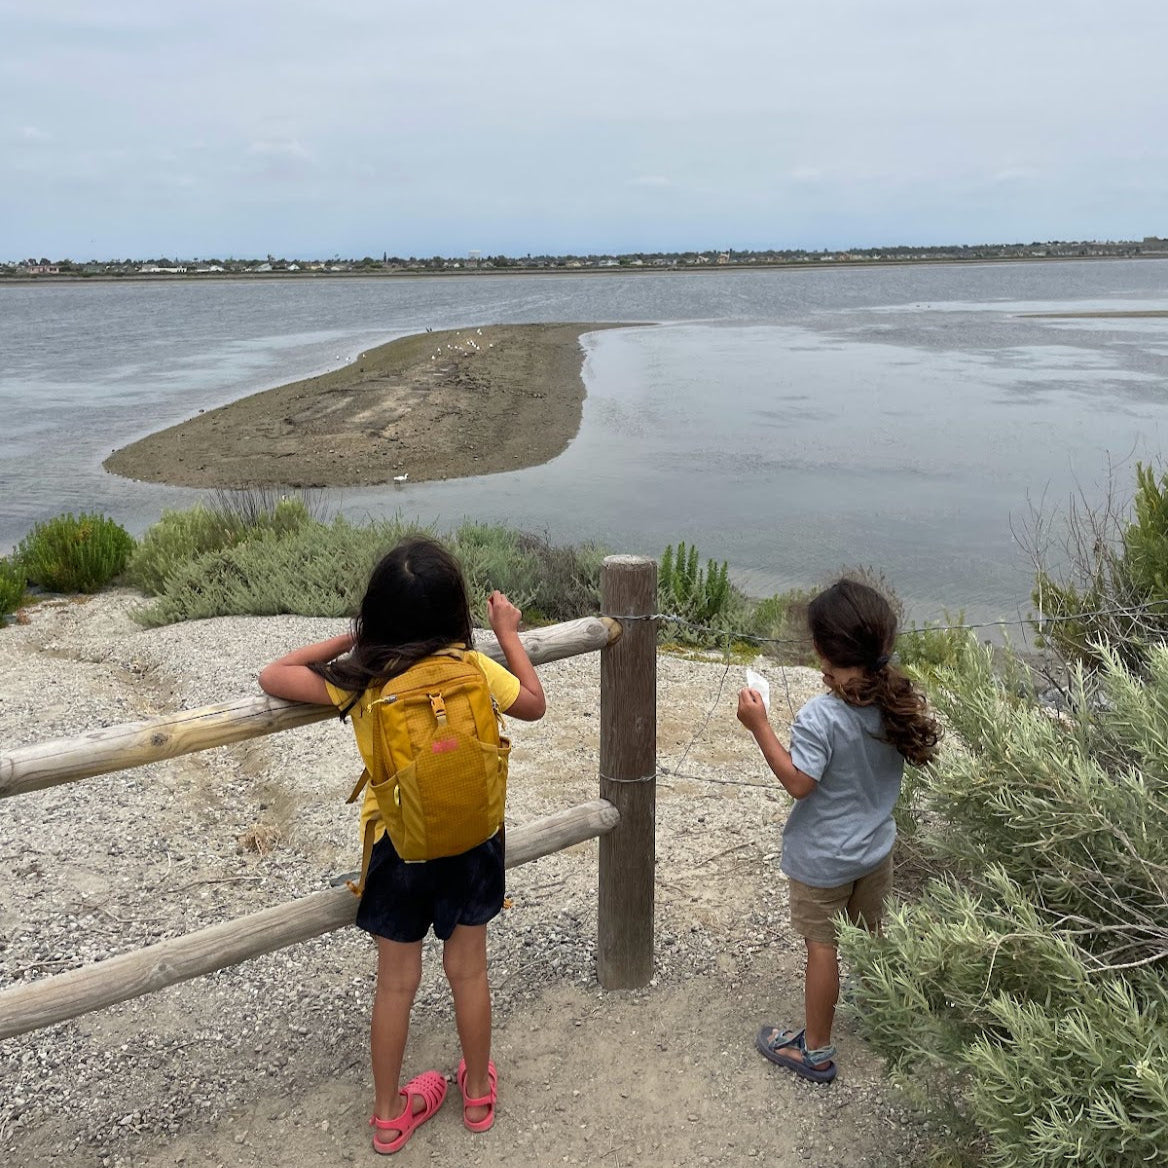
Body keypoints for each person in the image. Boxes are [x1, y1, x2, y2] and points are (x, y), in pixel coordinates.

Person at [258, 536, 545, 1152]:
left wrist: (352, 641)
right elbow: (534, 705)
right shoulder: (472, 668)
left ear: (378, 613)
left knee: (395, 983)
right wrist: (508, 631)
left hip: (398, 846)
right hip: (473, 839)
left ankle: (390, 1115)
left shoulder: (366, 677)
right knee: (468, 971)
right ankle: (476, 1096)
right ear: (454, 612)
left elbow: (273, 674)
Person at [736, 578, 939, 1084]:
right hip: (875, 852)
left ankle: (817, 1051)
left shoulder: (820, 716)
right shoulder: (897, 701)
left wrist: (759, 727)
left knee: (822, 948)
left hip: (822, 861)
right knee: (872, 937)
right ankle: (882, 1015)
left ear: (822, 651)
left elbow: (799, 784)